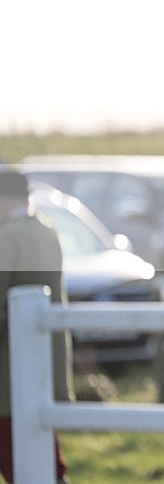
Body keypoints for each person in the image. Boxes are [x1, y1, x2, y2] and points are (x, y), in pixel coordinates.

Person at [0, 170, 72, 484]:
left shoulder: (7, 235)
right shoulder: (47, 229)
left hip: (9, 370)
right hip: (44, 360)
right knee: (42, 452)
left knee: (19, 459)